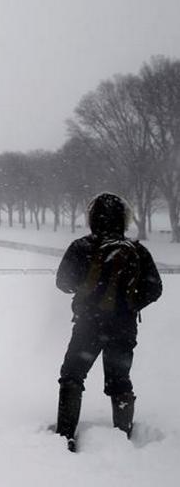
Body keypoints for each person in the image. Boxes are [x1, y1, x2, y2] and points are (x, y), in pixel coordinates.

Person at [54, 192, 162, 451]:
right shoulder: (137, 250)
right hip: (124, 327)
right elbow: (155, 288)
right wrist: (130, 304)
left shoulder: (81, 247)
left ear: (92, 218)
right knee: (119, 378)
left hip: (88, 325)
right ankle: (122, 436)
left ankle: (65, 436)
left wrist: (87, 288)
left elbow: (63, 283)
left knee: (72, 376)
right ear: (124, 219)